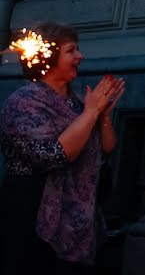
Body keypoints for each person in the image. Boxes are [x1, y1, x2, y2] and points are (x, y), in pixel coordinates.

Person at [0, 22, 125, 274]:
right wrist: (91, 112)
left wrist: (102, 116)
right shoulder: (24, 103)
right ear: (48, 57)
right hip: (33, 213)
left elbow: (106, 150)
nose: (81, 56)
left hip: (78, 217)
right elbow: (55, 156)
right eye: (71, 51)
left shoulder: (79, 102)